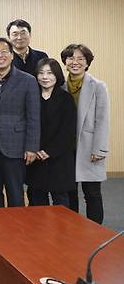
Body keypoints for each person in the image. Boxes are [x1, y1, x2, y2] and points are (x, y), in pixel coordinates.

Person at [0, 38, 40, 208]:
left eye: (4, 51)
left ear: (12, 55)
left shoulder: (28, 80)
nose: (0, 56)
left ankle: (17, 233)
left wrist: (32, 147)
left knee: (15, 194)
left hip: (16, 146)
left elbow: (33, 116)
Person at [61, 44, 109, 224]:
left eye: (80, 59)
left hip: (90, 148)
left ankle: (96, 233)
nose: (75, 62)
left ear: (87, 63)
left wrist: (100, 149)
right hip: (66, 149)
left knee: (92, 193)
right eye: (71, 58)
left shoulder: (98, 86)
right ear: (65, 62)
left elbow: (103, 120)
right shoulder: (60, 86)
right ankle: (73, 231)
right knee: (69, 192)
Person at [26, 58, 76, 208]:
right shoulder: (31, 96)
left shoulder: (66, 98)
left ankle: (62, 232)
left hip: (58, 157)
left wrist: (49, 151)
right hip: (36, 157)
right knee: (36, 198)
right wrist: (35, 149)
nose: (45, 77)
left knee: (60, 200)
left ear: (57, 75)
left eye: (49, 73)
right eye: (41, 73)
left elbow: (68, 130)